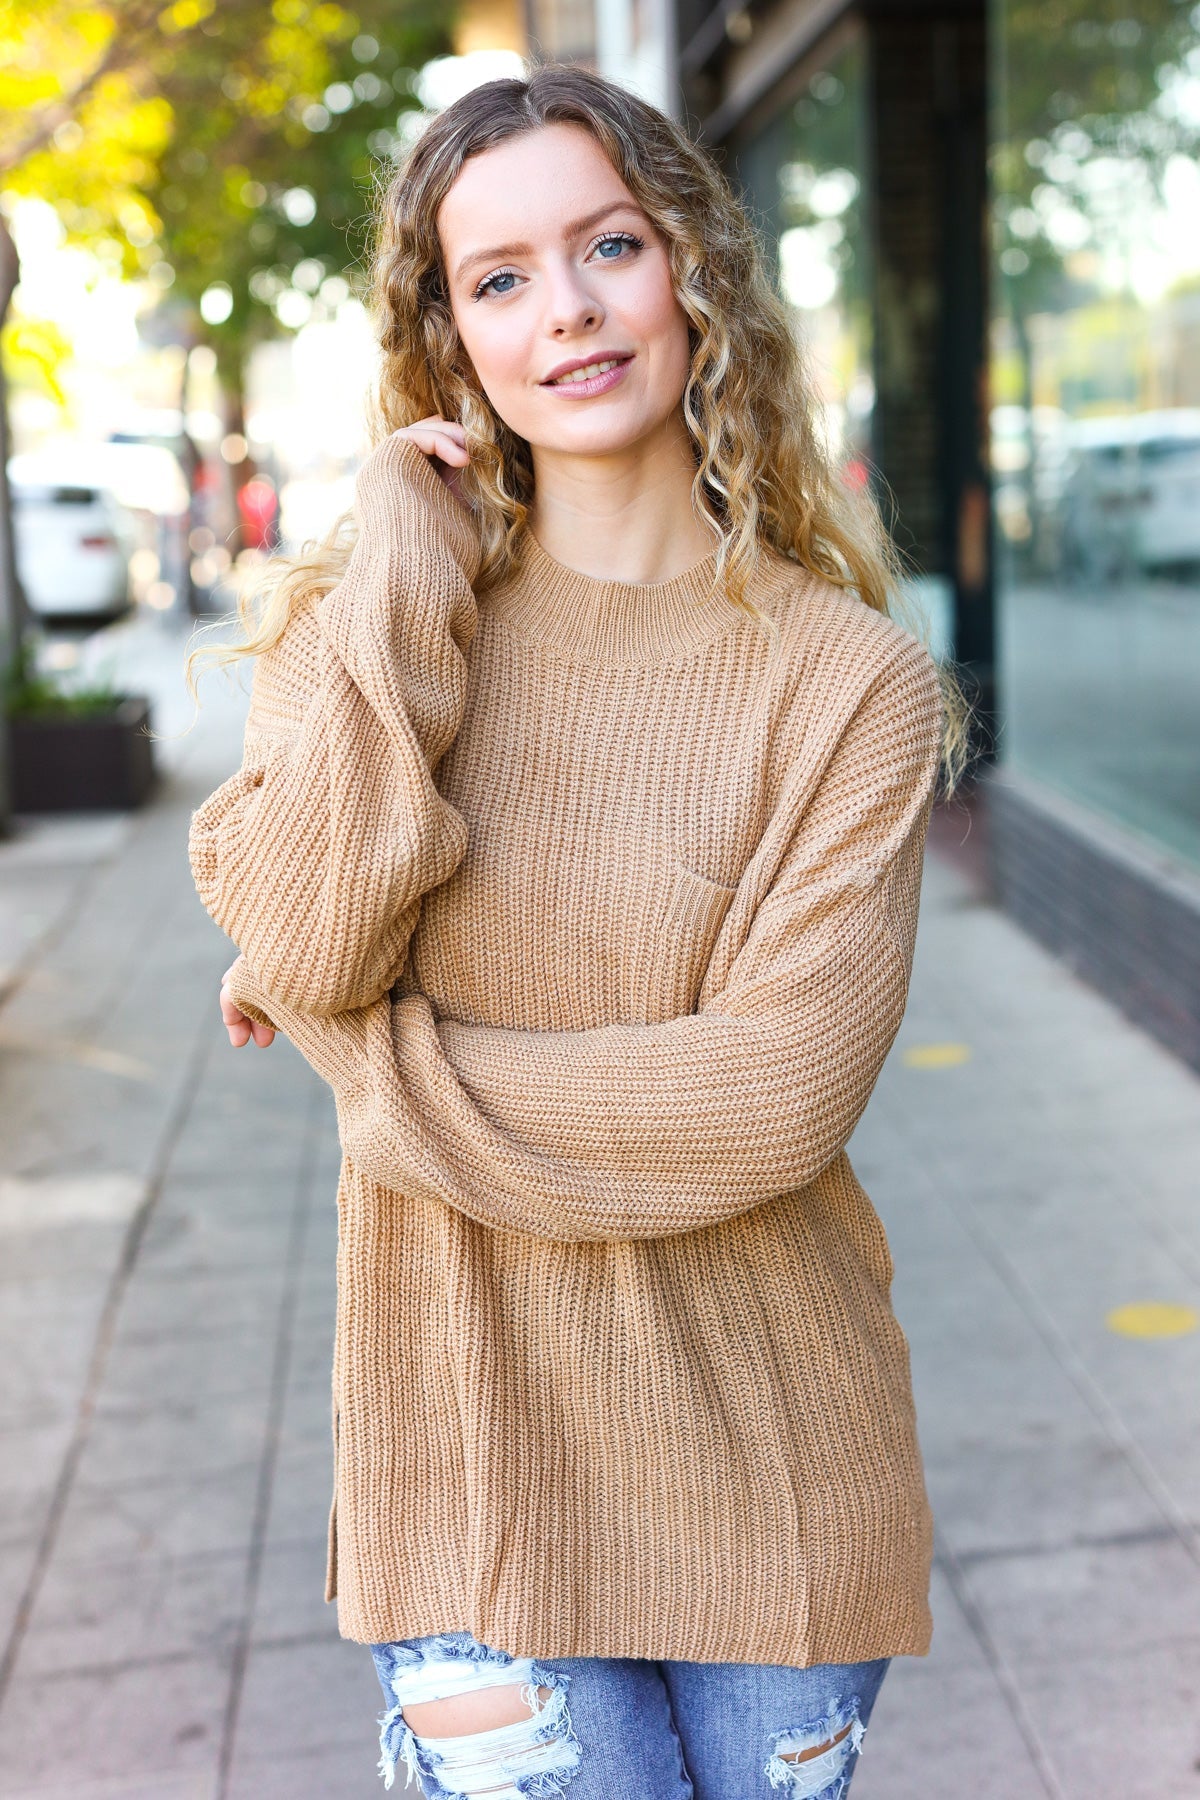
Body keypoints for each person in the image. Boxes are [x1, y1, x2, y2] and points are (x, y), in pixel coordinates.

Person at [186, 62, 968, 1800]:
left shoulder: (848, 688)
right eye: (501, 277)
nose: (571, 310)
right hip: (469, 1480)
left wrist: (377, 1074)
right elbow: (310, 929)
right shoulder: (371, 638)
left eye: (609, 243)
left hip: (774, 1478)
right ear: (451, 338)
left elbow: (771, 1099)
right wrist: (404, 563)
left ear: (690, 267)